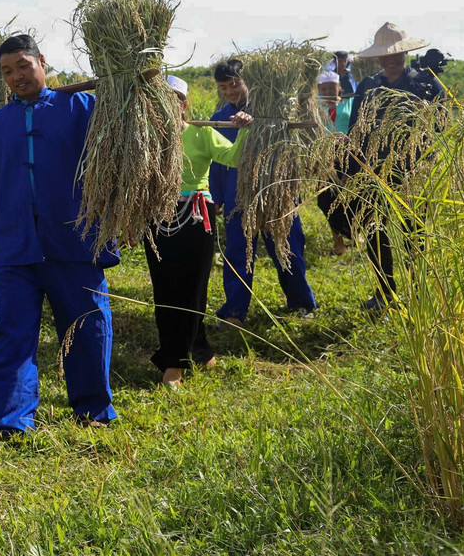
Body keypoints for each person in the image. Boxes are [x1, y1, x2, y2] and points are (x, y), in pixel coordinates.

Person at [0, 33, 118, 441]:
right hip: (16, 248)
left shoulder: (83, 107)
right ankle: (7, 420)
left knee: (88, 327)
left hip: (75, 241)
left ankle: (93, 409)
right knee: (14, 333)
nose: (16, 77)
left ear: (42, 61)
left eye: (23, 66)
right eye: (7, 71)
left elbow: (118, 163)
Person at [149, 76, 251, 387]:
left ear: (184, 103)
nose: (169, 102)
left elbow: (233, 158)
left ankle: (174, 365)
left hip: (196, 215)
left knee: (194, 289)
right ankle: (199, 349)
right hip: (156, 217)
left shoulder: (201, 133)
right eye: (161, 97)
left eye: (176, 97)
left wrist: (245, 130)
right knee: (166, 291)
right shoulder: (145, 137)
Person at [208, 59, 318, 325]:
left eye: (234, 84)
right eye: (223, 88)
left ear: (248, 82)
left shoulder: (272, 112)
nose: (229, 92)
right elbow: (217, 162)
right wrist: (217, 196)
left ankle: (302, 303)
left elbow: (291, 149)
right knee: (237, 252)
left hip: (275, 193)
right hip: (237, 196)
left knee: (287, 247)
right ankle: (234, 311)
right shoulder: (220, 119)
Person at [345, 22, 444, 311]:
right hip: (375, 171)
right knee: (376, 231)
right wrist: (352, 166)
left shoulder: (424, 83)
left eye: (396, 53)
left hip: (414, 170)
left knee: (415, 234)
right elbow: (356, 129)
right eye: (384, 54)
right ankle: (384, 292)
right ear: (377, 57)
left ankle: (418, 293)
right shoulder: (369, 86)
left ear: (405, 53)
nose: (390, 59)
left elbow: (441, 123)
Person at [313, 70, 355, 255]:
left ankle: (354, 232)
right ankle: (338, 242)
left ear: (340, 88)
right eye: (325, 88)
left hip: (348, 154)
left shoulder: (351, 103)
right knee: (326, 199)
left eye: (332, 87)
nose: (329, 91)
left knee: (350, 196)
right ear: (320, 90)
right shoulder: (315, 108)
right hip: (324, 155)